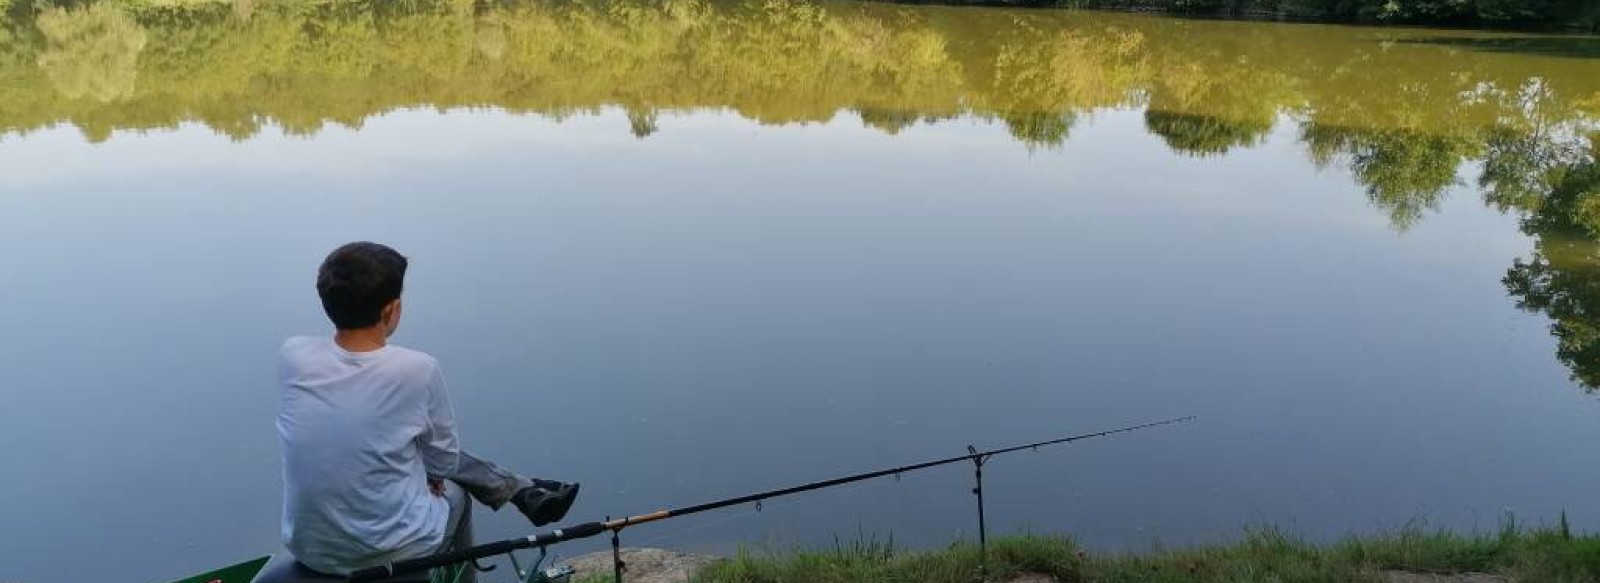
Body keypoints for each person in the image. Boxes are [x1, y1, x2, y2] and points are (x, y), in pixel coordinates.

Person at [270, 241, 578, 581]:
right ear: (392, 310)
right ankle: (515, 494)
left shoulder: (293, 356)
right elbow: (443, 463)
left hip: (313, 550)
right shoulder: (416, 369)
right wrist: (427, 477)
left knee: (394, 443)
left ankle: (520, 489)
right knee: (456, 494)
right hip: (393, 552)